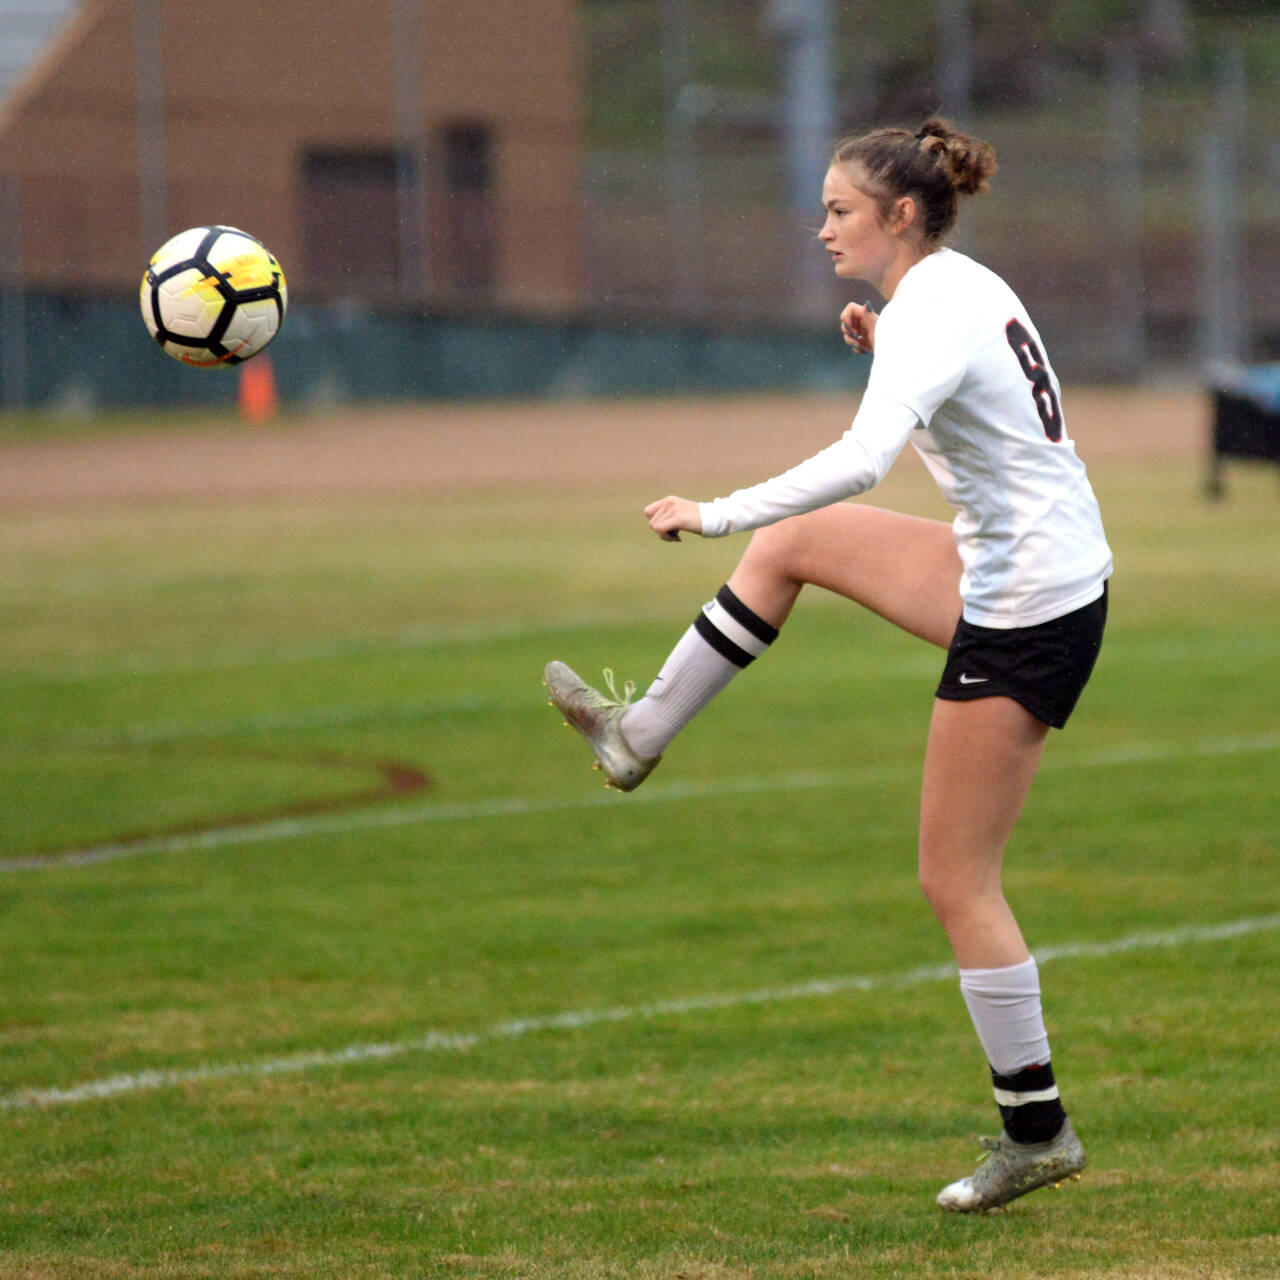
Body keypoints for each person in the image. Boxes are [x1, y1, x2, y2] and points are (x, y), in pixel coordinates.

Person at [544, 117, 1111, 1213]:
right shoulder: (947, 289)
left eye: (839, 210)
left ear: (899, 214)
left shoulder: (930, 309)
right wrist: (884, 342)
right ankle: (635, 736)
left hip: (1025, 607)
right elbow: (962, 384)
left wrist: (712, 509)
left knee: (956, 881)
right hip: (1025, 569)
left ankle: (1037, 1133)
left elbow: (861, 460)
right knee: (793, 546)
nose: (822, 229)